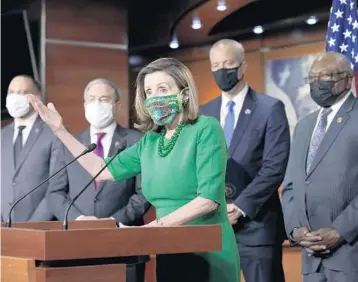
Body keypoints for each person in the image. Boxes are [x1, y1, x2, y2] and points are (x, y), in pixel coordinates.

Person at [27, 57, 241, 282]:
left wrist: (151, 228)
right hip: (169, 246)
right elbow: (101, 168)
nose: (155, 97)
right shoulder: (150, 141)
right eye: (149, 91)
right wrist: (60, 130)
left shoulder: (205, 129)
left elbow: (208, 200)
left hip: (209, 247)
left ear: (184, 93)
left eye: (163, 89)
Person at [200, 39, 290, 282]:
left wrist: (239, 207)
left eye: (228, 63)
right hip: (214, 227)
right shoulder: (203, 113)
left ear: (243, 66)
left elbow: (274, 167)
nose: (222, 70)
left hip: (257, 227)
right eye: (215, 65)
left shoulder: (270, 108)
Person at [47, 78, 149, 282]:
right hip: (77, 245)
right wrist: (79, 221)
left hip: (123, 242)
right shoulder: (70, 143)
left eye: (104, 99)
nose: (97, 104)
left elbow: (144, 193)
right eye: (91, 99)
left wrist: (113, 222)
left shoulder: (136, 141)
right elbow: (55, 193)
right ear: (84, 105)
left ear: (117, 106)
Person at [282, 52, 358, 282]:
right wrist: (296, 231)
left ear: (347, 79)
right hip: (311, 259)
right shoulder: (304, 126)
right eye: (312, 77)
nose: (317, 83)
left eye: (325, 76)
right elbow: (291, 186)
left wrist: (340, 231)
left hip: (350, 255)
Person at [1, 75, 56, 222]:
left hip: (38, 228)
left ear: (36, 97)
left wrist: (34, 225)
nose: (15, 97)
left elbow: (56, 186)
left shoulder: (53, 134)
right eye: (11, 92)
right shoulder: (2, 136)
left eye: (21, 92)